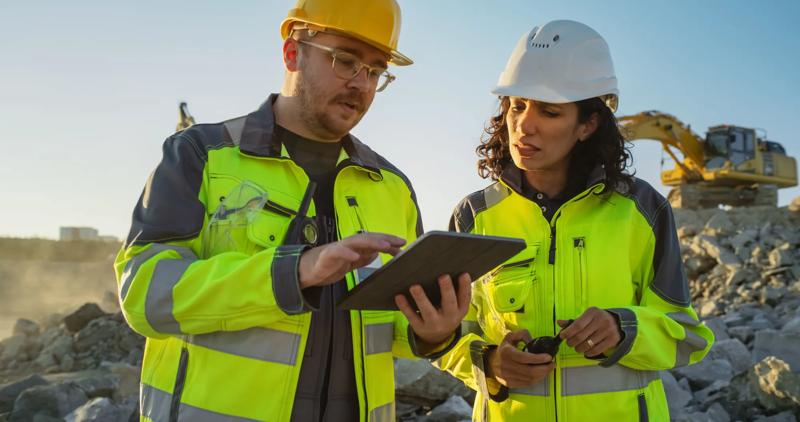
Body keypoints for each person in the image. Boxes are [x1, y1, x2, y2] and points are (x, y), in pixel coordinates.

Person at [114, 1, 470, 420]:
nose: (362, 84)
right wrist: (294, 272)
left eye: (375, 71)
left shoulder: (391, 187)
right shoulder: (201, 155)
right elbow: (145, 294)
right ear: (291, 52)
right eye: (345, 60)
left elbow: (389, 328)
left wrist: (430, 332)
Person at [436, 20, 714, 421]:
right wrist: (491, 363)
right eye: (517, 106)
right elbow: (443, 336)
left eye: (549, 112)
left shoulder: (642, 209)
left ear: (587, 125)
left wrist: (625, 330)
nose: (524, 125)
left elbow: (688, 336)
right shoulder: (473, 216)